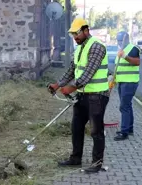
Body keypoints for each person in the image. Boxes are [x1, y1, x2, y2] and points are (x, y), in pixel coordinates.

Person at [48, 18, 109, 173]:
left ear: (86, 30)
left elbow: (88, 73)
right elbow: (71, 70)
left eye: (77, 33)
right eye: (73, 34)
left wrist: (71, 88)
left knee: (96, 130)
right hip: (82, 95)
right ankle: (75, 158)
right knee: (76, 127)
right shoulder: (80, 48)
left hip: (97, 95)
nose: (75, 37)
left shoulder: (97, 47)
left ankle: (97, 164)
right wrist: (58, 84)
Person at [111, 31, 141, 141]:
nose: (119, 42)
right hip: (122, 82)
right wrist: (113, 78)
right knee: (127, 106)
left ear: (126, 39)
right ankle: (129, 129)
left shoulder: (133, 49)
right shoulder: (120, 50)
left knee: (124, 106)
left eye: (121, 40)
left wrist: (125, 56)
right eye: (118, 40)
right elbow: (118, 67)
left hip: (130, 83)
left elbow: (137, 62)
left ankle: (124, 132)